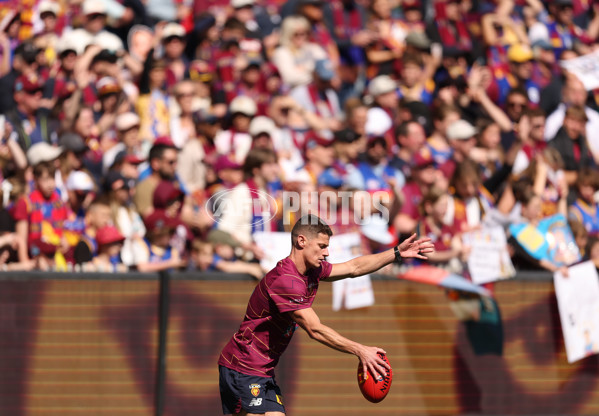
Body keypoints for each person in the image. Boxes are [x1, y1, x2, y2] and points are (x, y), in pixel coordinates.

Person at [218, 214, 434, 415]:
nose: (327, 253)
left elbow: (354, 267)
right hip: (242, 368)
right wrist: (361, 351)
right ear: (302, 241)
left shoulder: (311, 271)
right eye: (322, 246)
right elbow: (315, 329)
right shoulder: (286, 281)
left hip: (262, 372)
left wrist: (395, 253)